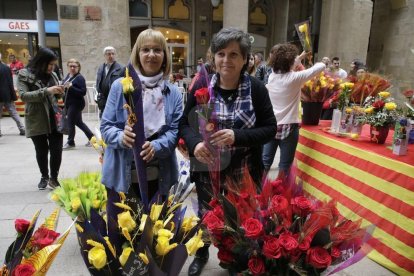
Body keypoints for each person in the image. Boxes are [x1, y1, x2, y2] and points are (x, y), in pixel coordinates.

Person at [179, 27, 276, 276]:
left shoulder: (256, 89)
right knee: (205, 214)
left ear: (245, 59)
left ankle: (236, 259)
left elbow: (270, 129)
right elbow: (183, 124)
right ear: (213, 57)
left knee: (241, 217)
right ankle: (201, 254)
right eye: (221, 53)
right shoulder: (202, 86)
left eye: (234, 54)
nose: (226, 60)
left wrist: (238, 136)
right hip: (207, 166)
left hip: (243, 168)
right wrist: (195, 144)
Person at [100, 29, 182, 254]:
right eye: (146, 49)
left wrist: (157, 146)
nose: (151, 55)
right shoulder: (120, 86)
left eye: (157, 50)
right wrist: (121, 137)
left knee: (155, 238)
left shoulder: (172, 92)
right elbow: (106, 126)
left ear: (165, 56)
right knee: (123, 239)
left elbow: (175, 131)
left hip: (159, 176)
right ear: (138, 53)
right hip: (122, 177)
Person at [263, 43, 325, 179]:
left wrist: (300, 57)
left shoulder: (272, 77)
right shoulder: (295, 78)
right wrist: (322, 61)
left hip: (271, 125)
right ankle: (280, 195)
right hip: (289, 127)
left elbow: (287, 64)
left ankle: (259, 191)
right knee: (284, 166)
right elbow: (320, 67)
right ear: (290, 62)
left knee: (265, 162)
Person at [17, 47, 64, 190]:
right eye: (50, 64)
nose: (52, 67)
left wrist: (60, 91)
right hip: (37, 118)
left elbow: (57, 97)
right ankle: (44, 176)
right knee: (41, 150)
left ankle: (54, 178)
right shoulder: (24, 74)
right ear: (41, 62)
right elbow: (24, 96)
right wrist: (46, 91)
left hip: (54, 117)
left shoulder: (53, 75)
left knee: (57, 150)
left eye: (53, 65)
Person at [62, 59, 94, 150]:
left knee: (70, 122)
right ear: (68, 67)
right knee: (79, 122)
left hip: (76, 104)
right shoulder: (68, 75)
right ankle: (92, 138)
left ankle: (70, 142)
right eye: (70, 66)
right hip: (69, 103)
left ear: (78, 67)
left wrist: (71, 87)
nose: (72, 68)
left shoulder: (79, 78)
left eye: (74, 66)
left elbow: (83, 92)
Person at [0, 53, 25, 137]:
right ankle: (22, 129)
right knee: (13, 112)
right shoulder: (7, 68)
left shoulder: (8, 67)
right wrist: (13, 95)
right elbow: (10, 82)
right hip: (7, 95)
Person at [95, 46, 124, 117]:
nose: (111, 56)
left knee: (113, 118)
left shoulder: (121, 68)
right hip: (103, 99)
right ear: (104, 55)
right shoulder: (101, 68)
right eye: (108, 54)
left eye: (112, 54)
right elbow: (98, 81)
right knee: (103, 118)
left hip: (114, 99)